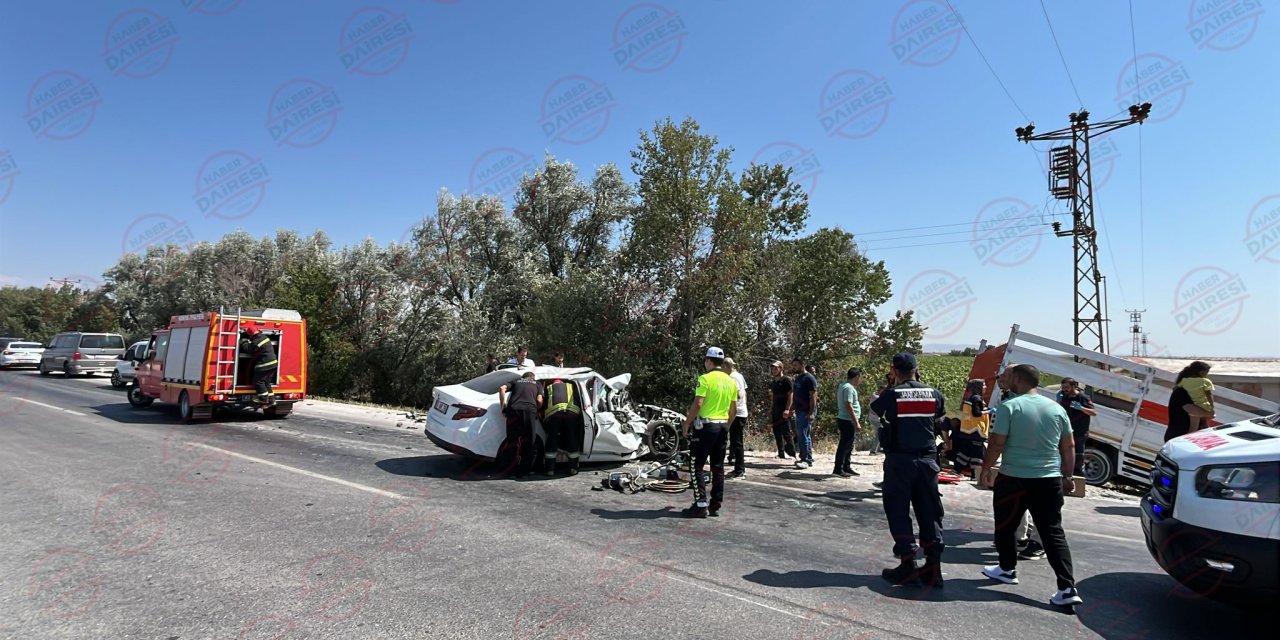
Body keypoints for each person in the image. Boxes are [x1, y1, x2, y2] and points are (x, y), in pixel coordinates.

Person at [978, 364, 1083, 607]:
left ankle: (1006, 569)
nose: (1003, 380)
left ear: (1018, 379)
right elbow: (1069, 446)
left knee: (1006, 526)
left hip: (1014, 478)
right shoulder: (1056, 409)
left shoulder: (1009, 407)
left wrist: (986, 469)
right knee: (1052, 532)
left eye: (1007, 377)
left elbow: (996, 444)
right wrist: (1067, 476)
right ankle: (1067, 588)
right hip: (1049, 480)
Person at [869, 352, 946, 588]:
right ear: (916, 369)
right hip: (928, 462)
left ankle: (907, 564)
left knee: (898, 511)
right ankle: (933, 569)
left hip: (900, 462)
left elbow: (874, 414)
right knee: (929, 512)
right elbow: (940, 423)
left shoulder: (892, 394)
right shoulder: (934, 394)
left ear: (894, 371)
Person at [681, 347, 737, 518]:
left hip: (706, 427)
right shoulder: (731, 381)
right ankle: (715, 504)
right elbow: (733, 409)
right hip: (722, 427)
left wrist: (687, 423)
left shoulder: (705, 379)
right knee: (717, 467)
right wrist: (726, 425)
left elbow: (698, 404)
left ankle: (700, 504)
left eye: (705, 360)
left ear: (709, 361)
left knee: (696, 465)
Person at [498, 371, 543, 477]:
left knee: (512, 441)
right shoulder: (537, 383)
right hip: (529, 411)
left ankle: (510, 470)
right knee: (529, 442)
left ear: (523, 377)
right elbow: (539, 400)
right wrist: (537, 409)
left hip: (513, 411)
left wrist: (503, 406)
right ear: (533, 377)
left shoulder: (516, 381)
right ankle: (525, 471)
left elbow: (501, 388)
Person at [541, 377, 583, 476]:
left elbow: (544, 402)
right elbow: (579, 400)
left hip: (554, 415)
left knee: (552, 440)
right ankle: (573, 468)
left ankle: (550, 470)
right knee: (572, 439)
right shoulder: (571, 386)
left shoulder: (549, 387)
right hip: (571, 414)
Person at [1056, 378, 1097, 477]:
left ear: (1074, 386)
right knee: (1062, 451)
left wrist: (1081, 408)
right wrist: (1058, 401)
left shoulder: (1082, 397)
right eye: (1063, 387)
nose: (1064, 389)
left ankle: (1077, 475)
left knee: (1078, 454)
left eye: (1067, 387)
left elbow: (1094, 412)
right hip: (1065, 430)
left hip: (1079, 432)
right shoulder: (1063, 396)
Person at [951, 379, 991, 476]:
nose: (985, 387)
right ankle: (975, 475)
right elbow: (977, 413)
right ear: (978, 387)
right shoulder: (977, 398)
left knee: (965, 452)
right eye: (984, 385)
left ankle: (957, 470)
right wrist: (989, 411)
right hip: (976, 431)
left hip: (967, 431)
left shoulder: (970, 398)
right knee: (977, 454)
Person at [1164, 372, 1216, 442]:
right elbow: (1194, 416)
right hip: (1179, 437)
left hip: (1177, 436)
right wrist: (1209, 413)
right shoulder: (1183, 394)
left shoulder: (1185, 393)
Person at [834, 368, 863, 477]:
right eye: (859, 377)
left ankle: (846, 466)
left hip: (846, 419)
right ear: (856, 377)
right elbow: (848, 405)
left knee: (849, 445)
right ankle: (838, 468)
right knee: (845, 445)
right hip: (847, 420)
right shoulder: (849, 388)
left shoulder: (843, 385)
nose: (860, 380)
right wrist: (856, 422)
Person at [724, 356, 749, 479]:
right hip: (740, 412)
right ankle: (738, 468)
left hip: (737, 413)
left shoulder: (733, 378)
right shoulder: (739, 376)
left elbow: (740, 394)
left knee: (737, 442)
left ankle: (740, 470)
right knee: (735, 442)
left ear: (726, 366)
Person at [791, 358, 817, 469]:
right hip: (799, 410)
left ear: (802, 365)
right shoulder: (798, 378)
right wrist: (791, 408)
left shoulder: (809, 379)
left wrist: (811, 413)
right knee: (804, 435)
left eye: (796, 365)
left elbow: (813, 397)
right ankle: (808, 458)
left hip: (806, 410)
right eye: (793, 365)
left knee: (802, 435)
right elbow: (796, 395)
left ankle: (805, 460)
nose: (794, 367)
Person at [239, 326, 278, 403]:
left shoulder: (256, 342)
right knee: (266, 381)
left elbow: (248, 349)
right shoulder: (264, 337)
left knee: (258, 382)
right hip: (273, 364)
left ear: (250, 335)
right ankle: (271, 399)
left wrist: (244, 342)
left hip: (265, 364)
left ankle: (263, 399)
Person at [1176, 361, 1215, 432]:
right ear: (1202, 372)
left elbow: (1177, 387)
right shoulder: (1205, 381)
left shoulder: (1185, 381)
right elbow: (1209, 395)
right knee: (1203, 426)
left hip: (1195, 405)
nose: (1207, 375)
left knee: (1193, 428)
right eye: (1207, 372)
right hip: (1204, 406)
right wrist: (1212, 408)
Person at [767, 361, 796, 459]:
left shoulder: (786, 380)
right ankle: (781, 453)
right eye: (772, 369)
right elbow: (773, 397)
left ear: (781, 368)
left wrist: (787, 409)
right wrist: (771, 409)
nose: (773, 370)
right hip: (776, 410)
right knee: (777, 432)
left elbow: (790, 394)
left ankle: (792, 453)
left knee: (786, 432)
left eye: (776, 368)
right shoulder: (774, 382)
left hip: (784, 410)